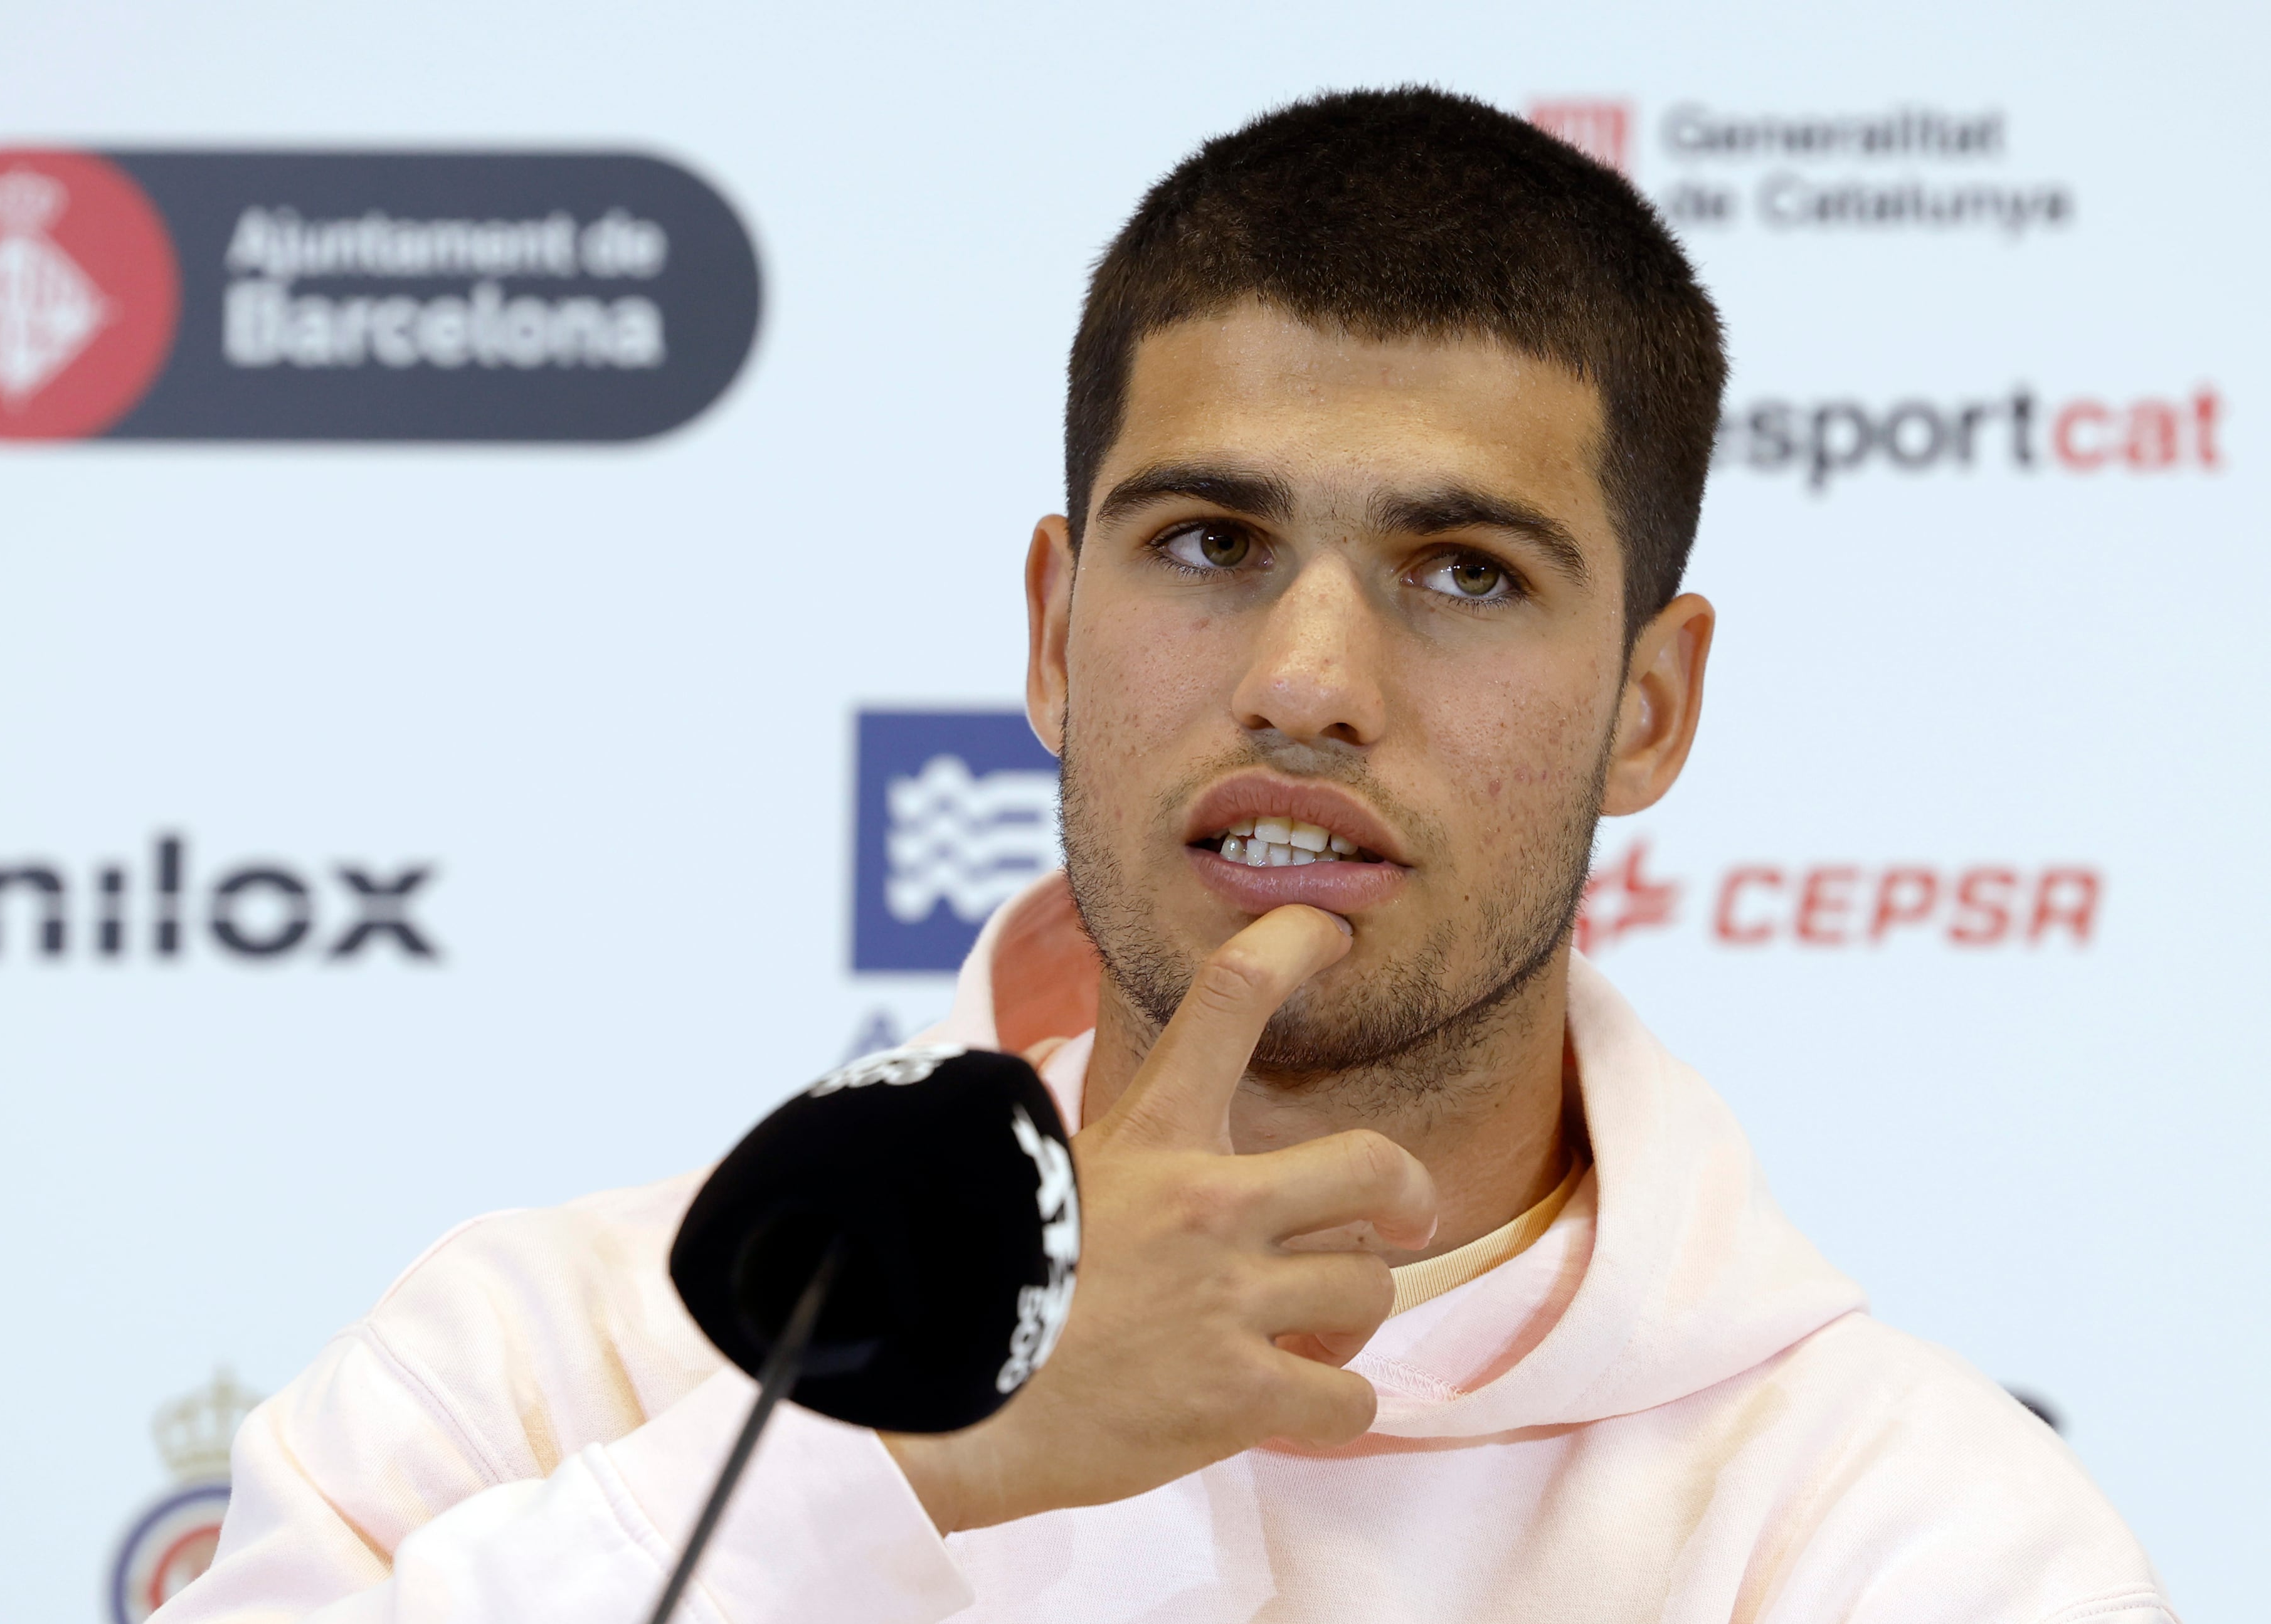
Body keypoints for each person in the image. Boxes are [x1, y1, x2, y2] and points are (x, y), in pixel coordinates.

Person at [163, 88, 2173, 1624]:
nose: (1306, 679)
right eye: (1208, 544)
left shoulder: (1900, 1529)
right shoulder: (548, 1355)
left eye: (1461, 572)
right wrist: (905, 1465)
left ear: (1648, 707)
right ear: (1051, 634)